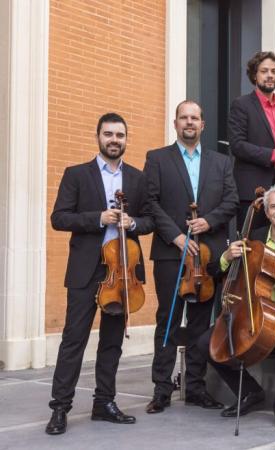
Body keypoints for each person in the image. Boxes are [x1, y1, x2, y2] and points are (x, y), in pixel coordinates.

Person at [46, 113, 154, 434]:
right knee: (73, 341)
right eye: (108, 134)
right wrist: (98, 217)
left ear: (126, 139)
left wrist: (131, 222)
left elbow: (150, 220)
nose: (114, 140)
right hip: (86, 272)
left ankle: (104, 403)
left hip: (122, 274)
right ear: (98, 137)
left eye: (120, 135)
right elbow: (59, 218)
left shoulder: (137, 179)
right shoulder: (77, 174)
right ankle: (60, 408)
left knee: (111, 343)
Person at [198, 185, 275, 430]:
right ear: (266, 210)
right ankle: (250, 392)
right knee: (205, 344)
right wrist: (227, 257)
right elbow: (214, 271)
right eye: (273, 206)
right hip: (251, 305)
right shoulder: (252, 239)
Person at [143, 100, 238, 414]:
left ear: (203, 124)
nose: (189, 122)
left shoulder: (221, 162)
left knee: (200, 324)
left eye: (194, 118)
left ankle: (195, 387)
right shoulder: (157, 159)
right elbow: (151, 204)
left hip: (209, 253)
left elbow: (232, 200)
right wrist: (177, 236)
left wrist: (209, 220)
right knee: (167, 322)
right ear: (175, 123)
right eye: (183, 117)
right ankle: (161, 390)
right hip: (172, 255)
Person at [228, 51, 275, 231]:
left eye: (274, 71)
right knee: (251, 247)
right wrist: (273, 154)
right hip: (252, 191)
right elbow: (237, 145)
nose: (270, 75)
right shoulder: (242, 104)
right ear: (254, 75)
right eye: (264, 71)